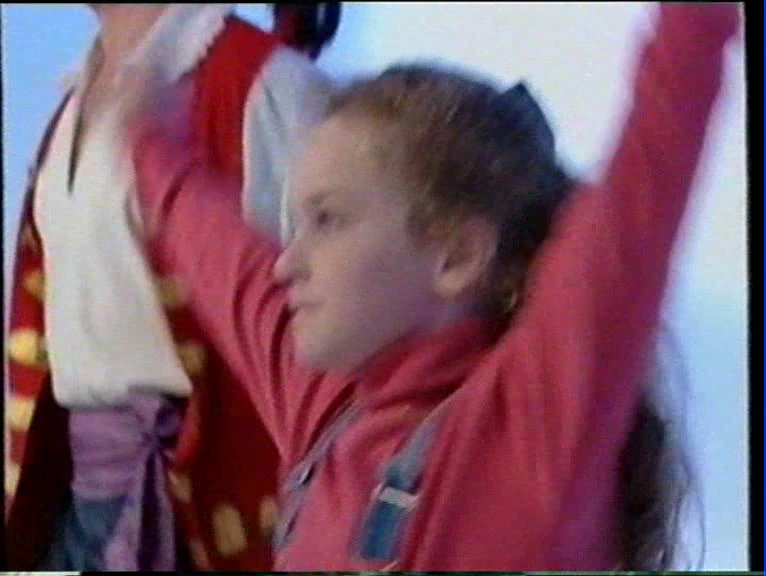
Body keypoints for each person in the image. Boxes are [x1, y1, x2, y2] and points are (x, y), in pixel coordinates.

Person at [125, 3, 740, 571]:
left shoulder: (526, 435)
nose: (287, 264)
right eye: (297, 224)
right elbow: (215, 246)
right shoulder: (328, 409)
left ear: (457, 255)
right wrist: (142, 137)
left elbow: (652, 159)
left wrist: (694, 23)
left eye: (329, 220)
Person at [4, 3, 340, 570]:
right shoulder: (77, 97)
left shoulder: (268, 85)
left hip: (212, 501)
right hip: (86, 500)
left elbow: (328, 332)